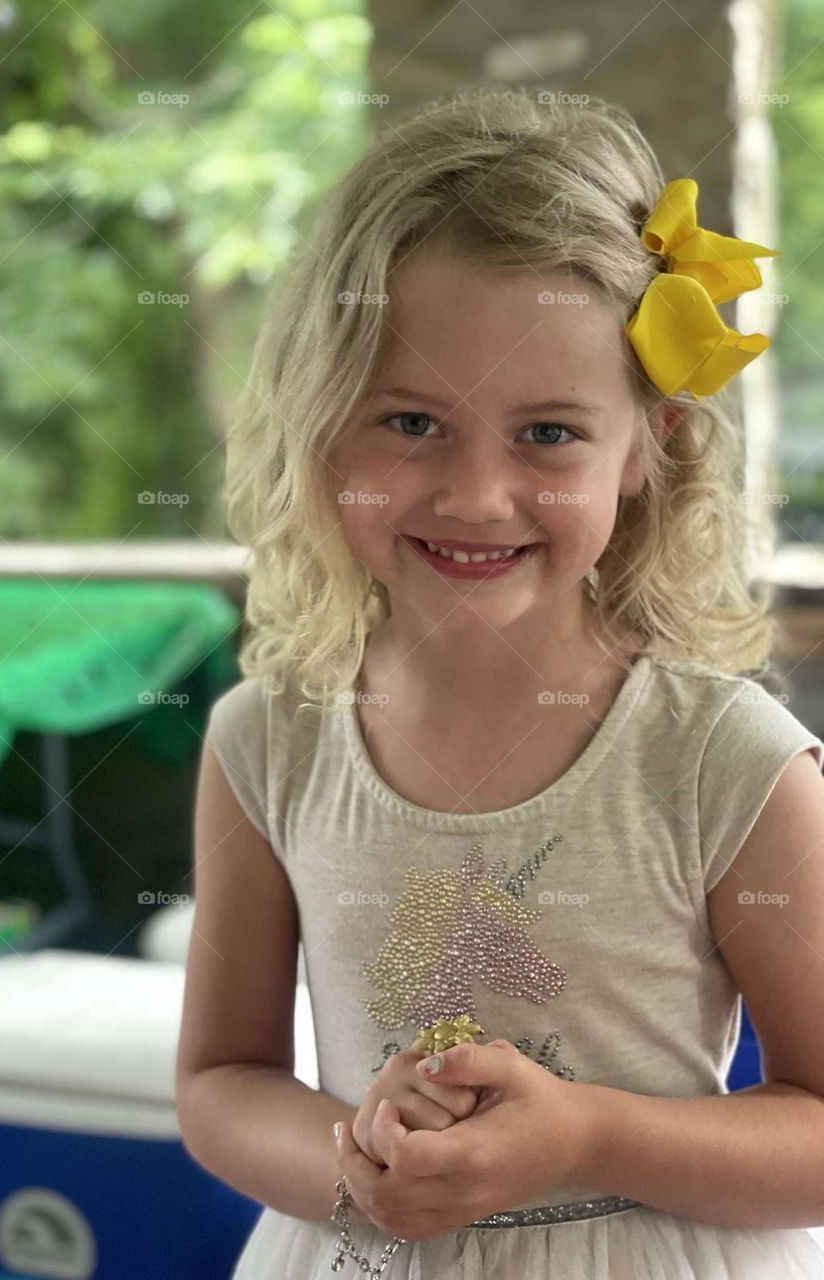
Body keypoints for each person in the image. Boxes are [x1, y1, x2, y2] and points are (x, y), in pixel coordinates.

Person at [175, 84, 824, 1279]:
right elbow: (220, 1082)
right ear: (319, 424)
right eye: (411, 421)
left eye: (548, 434)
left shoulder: (729, 762)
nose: (476, 495)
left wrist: (585, 1132)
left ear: (651, 446)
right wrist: (352, 1152)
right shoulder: (264, 741)